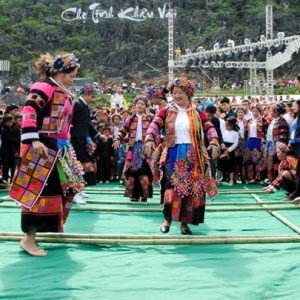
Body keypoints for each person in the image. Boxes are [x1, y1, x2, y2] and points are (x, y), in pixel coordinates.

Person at [10, 53, 84, 256]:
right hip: (41, 149)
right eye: (71, 75)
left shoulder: (61, 90)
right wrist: (34, 139)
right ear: (60, 72)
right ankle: (29, 238)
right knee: (39, 192)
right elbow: (29, 110)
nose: (72, 79)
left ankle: (39, 234)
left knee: (60, 190)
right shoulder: (43, 87)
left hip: (57, 148)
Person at [144, 78, 219, 235]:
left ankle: (185, 223)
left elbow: (209, 128)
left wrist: (213, 142)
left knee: (193, 189)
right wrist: (150, 138)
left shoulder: (198, 112)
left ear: (188, 94)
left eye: (180, 92)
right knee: (171, 187)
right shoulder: (166, 111)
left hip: (194, 154)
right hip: (173, 153)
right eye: (174, 93)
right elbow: (154, 125)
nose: (176, 96)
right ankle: (167, 219)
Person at [113, 96, 153, 202]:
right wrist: (117, 139)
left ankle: (144, 195)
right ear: (135, 105)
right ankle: (134, 195)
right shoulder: (130, 119)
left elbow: (156, 130)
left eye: (142, 104)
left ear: (145, 107)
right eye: (138, 104)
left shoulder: (150, 118)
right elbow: (123, 131)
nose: (139, 106)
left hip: (146, 148)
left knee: (144, 170)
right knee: (133, 171)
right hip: (134, 147)